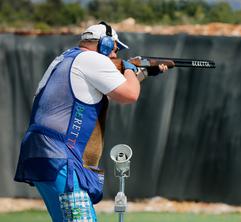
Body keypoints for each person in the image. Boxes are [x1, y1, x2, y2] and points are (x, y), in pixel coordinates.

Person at [14, 21, 168, 222]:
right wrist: (130, 68)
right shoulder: (93, 60)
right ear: (104, 44)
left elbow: (105, 91)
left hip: (41, 154)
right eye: (113, 49)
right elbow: (129, 94)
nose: (114, 56)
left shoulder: (64, 59)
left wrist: (144, 72)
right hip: (61, 157)